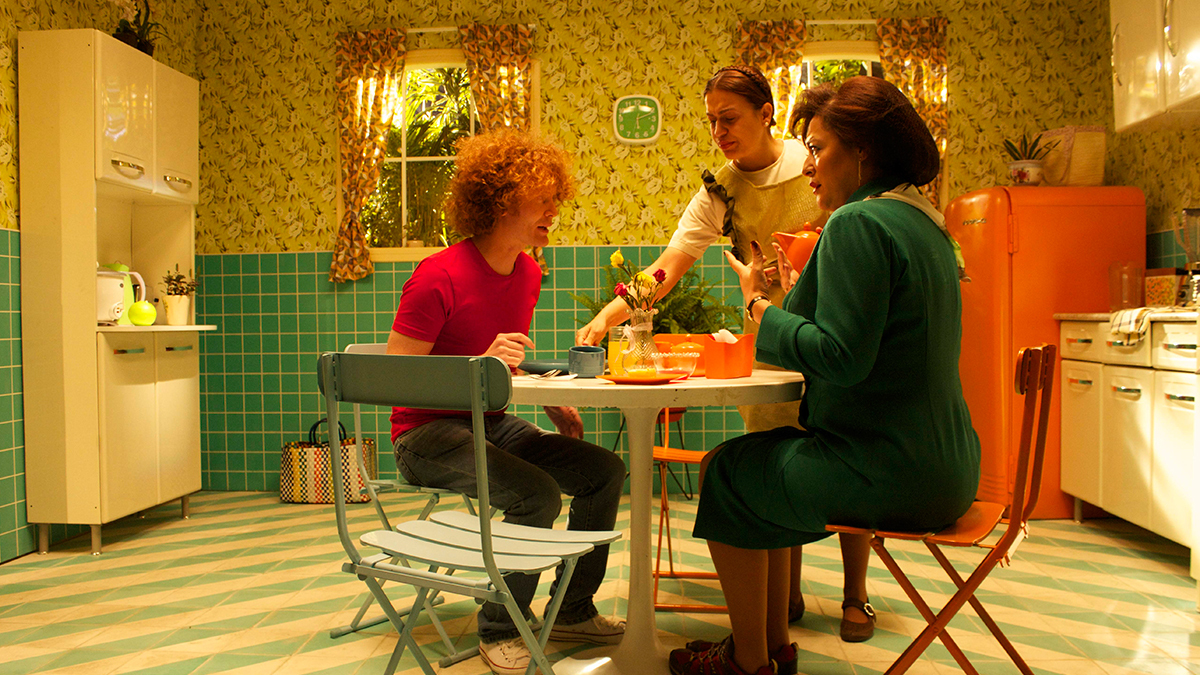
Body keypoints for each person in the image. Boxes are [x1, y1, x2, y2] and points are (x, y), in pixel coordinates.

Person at [668, 76, 981, 675]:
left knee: (726, 473)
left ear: (862, 150)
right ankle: (771, 648)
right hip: (951, 470)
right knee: (753, 461)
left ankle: (749, 662)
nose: (807, 165)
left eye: (818, 148)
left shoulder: (858, 223)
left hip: (892, 472)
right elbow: (859, 336)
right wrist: (791, 292)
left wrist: (757, 308)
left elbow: (840, 357)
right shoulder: (926, 223)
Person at [575, 65, 871, 641]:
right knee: (775, 456)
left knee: (844, 440)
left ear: (767, 113)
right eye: (711, 121)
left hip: (831, 327)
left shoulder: (814, 164)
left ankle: (855, 596)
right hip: (771, 338)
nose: (719, 132)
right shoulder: (719, 190)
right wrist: (609, 315)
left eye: (729, 118)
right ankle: (784, 596)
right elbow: (668, 266)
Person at [387, 131, 627, 675]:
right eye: (542, 199)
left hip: (488, 421)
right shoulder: (437, 275)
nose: (553, 211)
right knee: (536, 495)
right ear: (500, 201)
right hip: (424, 435)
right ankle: (502, 626)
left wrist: (547, 398)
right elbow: (398, 381)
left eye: (555, 199)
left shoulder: (528, 272)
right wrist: (479, 364)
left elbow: (502, 364)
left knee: (604, 471)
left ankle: (572, 610)